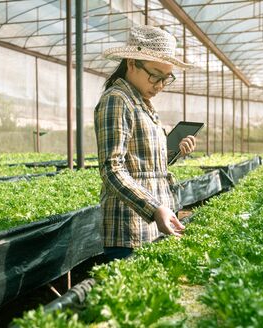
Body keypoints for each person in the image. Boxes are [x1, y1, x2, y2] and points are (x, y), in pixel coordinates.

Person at [94, 25, 197, 261]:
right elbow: (112, 169)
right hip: (129, 229)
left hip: (152, 225)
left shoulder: (141, 102)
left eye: (166, 78)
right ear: (131, 63)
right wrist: (154, 208)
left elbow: (145, 164)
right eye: (155, 75)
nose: (160, 84)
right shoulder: (117, 101)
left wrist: (174, 152)